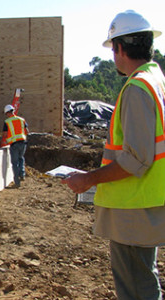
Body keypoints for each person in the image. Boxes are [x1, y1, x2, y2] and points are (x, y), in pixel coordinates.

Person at [63, 10, 165, 300]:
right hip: (148, 200)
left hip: (133, 204)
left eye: (113, 49)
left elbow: (137, 158)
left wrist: (88, 180)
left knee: (135, 286)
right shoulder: (156, 79)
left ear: (120, 48)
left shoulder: (137, 88)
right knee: (144, 277)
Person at [1, 104, 29, 188]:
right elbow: (27, 131)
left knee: (15, 163)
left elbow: (5, 134)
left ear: (7, 113)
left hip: (14, 144)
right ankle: (22, 174)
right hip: (23, 142)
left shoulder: (7, 122)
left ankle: (17, 182)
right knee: (21, 158)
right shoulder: (22, 120)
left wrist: (6, 139)